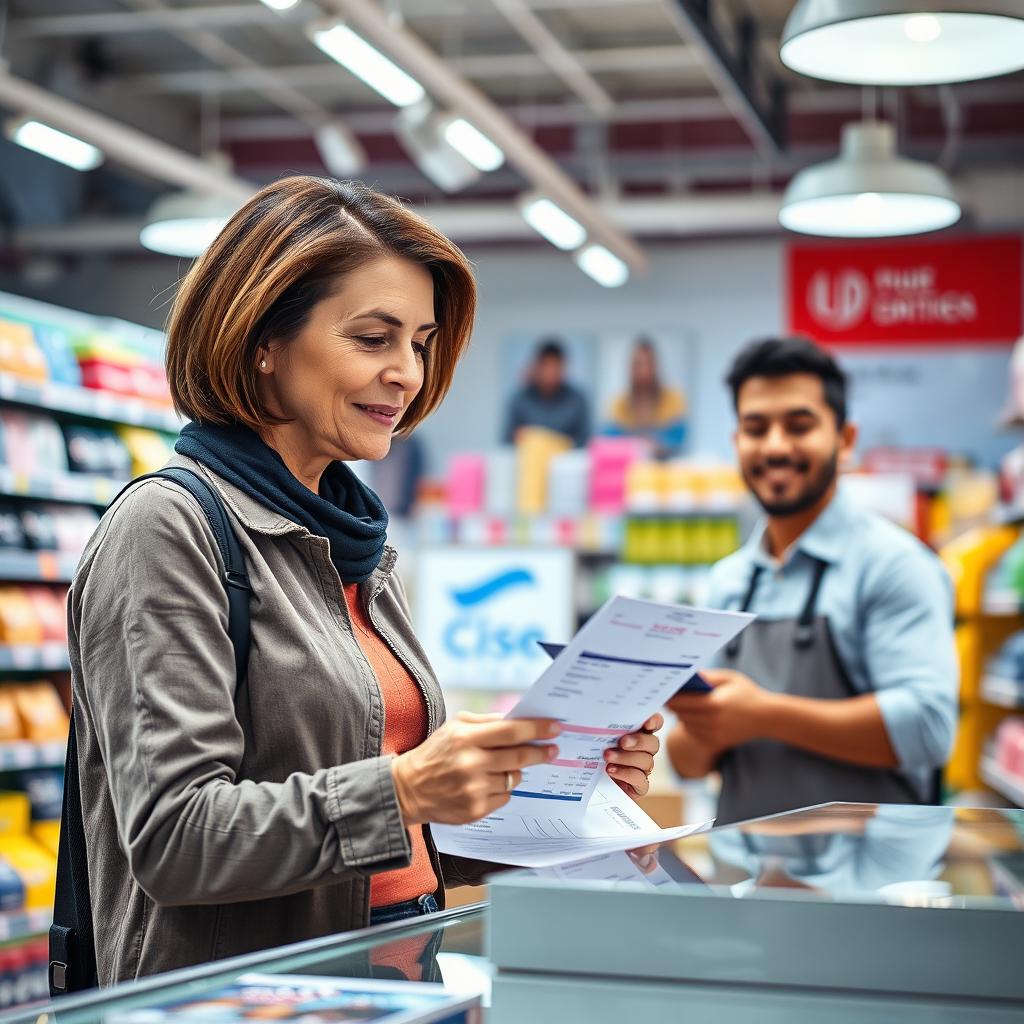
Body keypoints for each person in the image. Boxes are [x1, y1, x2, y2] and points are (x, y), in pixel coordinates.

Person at [68, 177, 662, 984]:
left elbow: (394, 849)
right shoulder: (167, 529)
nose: (409, 374)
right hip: (246, 1003)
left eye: (419, 342)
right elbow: (177, 839)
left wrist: (558, 794)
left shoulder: (356, 546)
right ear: (262, 342)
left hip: (389, 984)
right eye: (374, 338)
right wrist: (409, 787)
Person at [666, 337, 957, 825]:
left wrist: (763, 715)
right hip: (748, 882)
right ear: (737, 442)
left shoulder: (895, 565)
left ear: (844, 440)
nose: (776, 446)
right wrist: (686, 729)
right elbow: (690, 765)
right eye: (756, 428)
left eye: (799, 426)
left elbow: (928, 728)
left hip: (870, 890)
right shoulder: (730, 580)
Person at [603, 337, 688, 455]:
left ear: (655, 366)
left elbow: (678, 439)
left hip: (663, 466)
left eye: (647, 364)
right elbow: (608, 439)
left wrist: (655, 443)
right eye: (638, 364)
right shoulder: (619, 403)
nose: (643, 371)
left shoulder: (673, 399)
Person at [502, 338, 589, 447]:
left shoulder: (577, 399)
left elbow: (584, 442)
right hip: (529, 462)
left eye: (556, 365)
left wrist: (540, 439)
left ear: (564, 366)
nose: (550, 372)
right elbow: (507, 440)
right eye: (546, 365)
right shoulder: (520, 399)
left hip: (568, 462)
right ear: (536, 366)